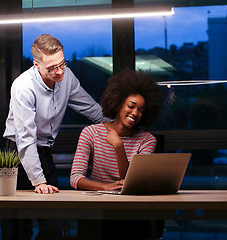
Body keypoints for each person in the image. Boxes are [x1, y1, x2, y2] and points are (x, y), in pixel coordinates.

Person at [3, 34, 107, 239]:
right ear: (36, 64)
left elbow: (90, 108)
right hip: (16, 155)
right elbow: (26, 139)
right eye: (52, 68)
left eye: (62, 63)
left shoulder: (66, 76)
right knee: (19, 228)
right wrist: (39, 181)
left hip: (44, 152)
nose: (59, 71)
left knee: (53, 228)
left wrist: (117, 124)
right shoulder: (23, 86)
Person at [70, 69, 163, 240]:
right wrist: (105, 187)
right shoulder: (90, 133)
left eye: (141, 110)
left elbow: (132, 182)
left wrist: (118, 146)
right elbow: (76, 178)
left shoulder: (147, 140)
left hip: (133, 211)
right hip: (98, 210)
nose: (135, 113)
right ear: (118, 103)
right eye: (131, 106)